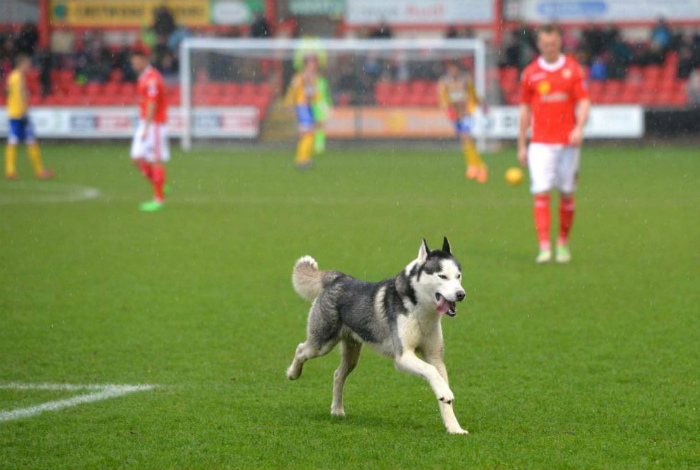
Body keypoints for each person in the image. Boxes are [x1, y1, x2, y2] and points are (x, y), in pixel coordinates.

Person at [518, 24, 590, 264]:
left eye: (554, 44)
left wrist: (579, 128)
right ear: (539, 45)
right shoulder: (530, 73)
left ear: (560, 43)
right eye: (545, 44)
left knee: (567, 193)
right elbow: (524, 109)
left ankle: (562, 242)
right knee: (541, 191)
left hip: (568, 143)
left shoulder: (573, 69)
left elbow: (584, 102)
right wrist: (521, 144)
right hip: (540, 143)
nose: (550, 48)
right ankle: (544, 246)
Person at [129, 49, 169, 212]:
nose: (135, 64)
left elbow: (152, 103)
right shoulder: (144, 77)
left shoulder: (152, 79)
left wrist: (147, 127)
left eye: (138, 60)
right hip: (146, 123)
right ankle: (159, 184)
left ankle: (158, 199)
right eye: (133, 61)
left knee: (154, 160)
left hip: (154, 124)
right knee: (137, 158)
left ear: (145, 60)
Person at [4, 54, 52, 180]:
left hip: (13, 113)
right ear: (21, 64)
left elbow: (8, 93)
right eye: (27, 64)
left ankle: (11, 171)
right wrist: (24, 112)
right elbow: (19, 96)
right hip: (20, 114)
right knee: (29, 141)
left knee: (14, 141)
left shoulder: (12, 76)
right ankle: (39, 171)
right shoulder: (18, 77)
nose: (29, 66)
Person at [438, 60, 487, 182]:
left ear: (457, 69)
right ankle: (473, 165)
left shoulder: (465, 79)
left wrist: (480, 103)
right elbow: (443, 98)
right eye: (450, 69)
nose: (452, 71)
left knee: (466, 137)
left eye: (454, 68)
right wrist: (448, 109)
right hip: (456, 114)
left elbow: (473, 94)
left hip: (467, 112)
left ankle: (479, 166)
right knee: (465, 140)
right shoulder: (444, 82)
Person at [284, 55, 321, 169]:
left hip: (309, 107)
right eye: (312, 62)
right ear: (306, 64)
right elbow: (292, 91)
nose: (314, 65)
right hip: (302, 107)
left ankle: (305, 158)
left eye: (315, 62)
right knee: (306, 133)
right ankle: (301, 160)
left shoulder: (313, 77)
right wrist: (289, 105)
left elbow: (314, 94)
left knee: (310, 133)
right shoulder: (299, 77)